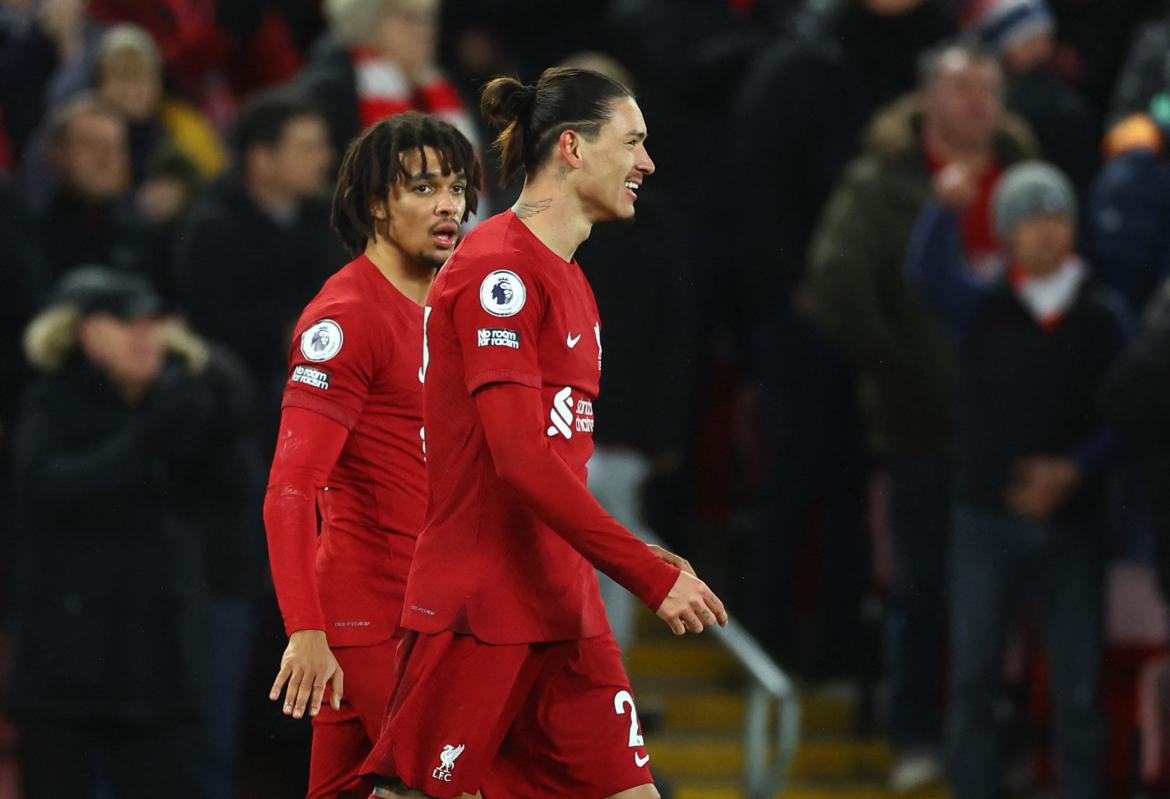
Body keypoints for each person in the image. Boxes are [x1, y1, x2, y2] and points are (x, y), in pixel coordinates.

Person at [361, 67, 727, 799]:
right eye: (632, 142)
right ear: (572, 147)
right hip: (484, 606)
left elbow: (556, 461)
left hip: (564, 605)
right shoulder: (501, 269)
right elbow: (521, 461)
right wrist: (645, 573)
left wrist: (618, 548)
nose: (647, 163)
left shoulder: (570, 278)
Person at [804, 39, 1035, 790]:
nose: (979, 104)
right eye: (963, 89)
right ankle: (912, 731)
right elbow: (834, 286)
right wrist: (894, 372)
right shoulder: (882, 183)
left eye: (989, 90)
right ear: (926, 101)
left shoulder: (1030, 181)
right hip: (922, 426)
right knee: (922, 585)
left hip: (1019, 430)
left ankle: (1002, 736)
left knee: (1010, 596)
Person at [263, 110, 481, 799]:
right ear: (376, 204)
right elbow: (291, 488)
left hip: (430, 613)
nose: (447, 204)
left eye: (454, 186)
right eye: (421, 189)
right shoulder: (348, 317)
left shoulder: (452, 309)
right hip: (371, 613)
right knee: (453, 788)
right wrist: (306, 628)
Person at [907, 160, 1125, 799]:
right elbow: (925, 277)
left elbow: (1127, 413)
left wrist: (1074, 469)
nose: (1047, 231)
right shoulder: (984, 306)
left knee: (1078, 686)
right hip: (985, 518)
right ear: (1007, 234)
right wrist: (942, 212)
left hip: (1073, 526)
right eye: (1030, 219)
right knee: (973, 677)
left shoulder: (1102, 316)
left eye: (1057, 216)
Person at [5, 267, 247, 799]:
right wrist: (146, 439)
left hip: (154, 662)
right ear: (86, 331)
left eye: (153, 322)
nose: (145, 335)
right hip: (65, 665)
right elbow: (49, 488)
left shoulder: (185, 402)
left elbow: (235, 485)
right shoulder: (48, 404)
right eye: (126, 322)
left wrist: (208, 391)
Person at [172, 88, 347, 436]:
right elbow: (214, 327)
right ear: (261, 158)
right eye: (307, 148)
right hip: (247, 394)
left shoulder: (328, 216)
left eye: (323, 146)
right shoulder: (212, 228)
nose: (325, 159)